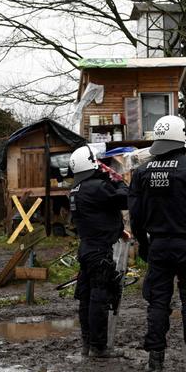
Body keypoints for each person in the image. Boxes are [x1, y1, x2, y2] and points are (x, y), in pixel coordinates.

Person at [129, 114, 186, 372]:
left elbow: (135, 215)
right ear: (182, 136)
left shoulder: (141, 172)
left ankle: (155, 363)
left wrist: (144, 245)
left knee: (157, 303)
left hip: (157, 245)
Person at [68, 145, 130, 359]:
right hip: (99, 251)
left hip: (86, 248)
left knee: (86, 298)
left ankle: (87, 343)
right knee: (99, 298)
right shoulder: (96, 186)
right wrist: (118, 180)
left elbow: (99, 214)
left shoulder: (76, 189)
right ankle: (99, 347)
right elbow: (125, 198)